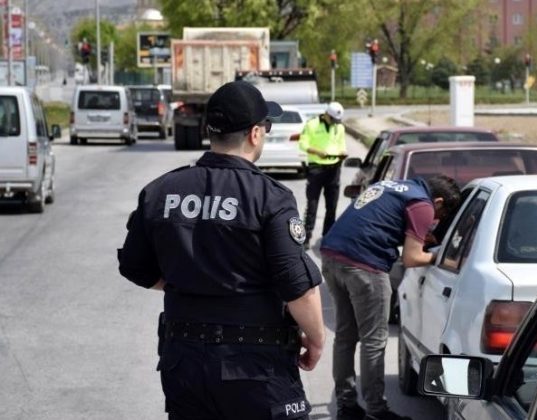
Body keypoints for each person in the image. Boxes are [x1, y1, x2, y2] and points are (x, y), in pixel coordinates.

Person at [117, 80, 325, 420]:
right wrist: (315, 340)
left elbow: (134, 267)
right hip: (256, 367)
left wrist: (189, 282)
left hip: (184, 361)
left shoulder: (160, 190)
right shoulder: (270, 197)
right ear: (255, 134)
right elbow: (296, 286)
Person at [320, 176, 461, 420]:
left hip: (332, 256)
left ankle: (347, 406)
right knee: (373, 340)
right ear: (438, 201)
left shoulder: (392, 186)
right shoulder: (422, 204)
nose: (436, 220)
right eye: (442, 213)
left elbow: (378, 222)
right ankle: (377, 410)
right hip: (365, 266)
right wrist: (442, 256)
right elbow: (412, 258)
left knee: (345, 336)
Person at [298, 101, 347, 250]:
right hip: (316, 169)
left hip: (334, 168)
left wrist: (342, 153)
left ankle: (328, 237)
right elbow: (303, 144)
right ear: (326, 114)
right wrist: (317, 151)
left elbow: (341, 145)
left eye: (336, 121)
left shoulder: (339, 127)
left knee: (332, 206)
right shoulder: (312, 125)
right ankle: (306, 237)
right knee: (312, 204)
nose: (334, 123)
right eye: (332, 119)